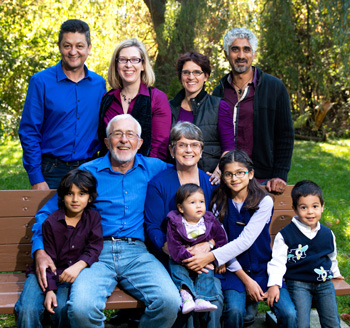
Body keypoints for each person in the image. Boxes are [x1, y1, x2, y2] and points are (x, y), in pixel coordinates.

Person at [16, 114, 181, 328]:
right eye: (117, 134)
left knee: (169, 302)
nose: (124, 140)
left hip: (137, 252)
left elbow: (186, 170)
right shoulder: (87, 172)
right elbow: (46, 214)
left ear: (139, 143)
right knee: (81, 309)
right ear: (106, 141)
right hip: (95, 252)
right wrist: (39, 251)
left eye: (130, 134)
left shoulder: (155, 168)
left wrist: (212, 176)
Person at [183, 150, 297, 328]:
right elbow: (223, 243)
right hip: (233, 270)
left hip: (263, 270)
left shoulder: (264, 201)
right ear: (222, 176)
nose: (234, 178)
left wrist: (212, 256)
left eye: (240, 173)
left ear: (250, 174)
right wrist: (246, 280)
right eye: (228, 174)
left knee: (289, 313)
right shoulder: (217, 203)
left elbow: (245, 241)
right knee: (234, 312)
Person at [144, 121, 223, 327]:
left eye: (194, 144)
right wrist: (175, 251)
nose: (189, 149)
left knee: (214, 298)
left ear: (201, 150)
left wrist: (209, 248)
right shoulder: (159, 184)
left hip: (206, 259)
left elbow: (219, 226)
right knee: (183, 301)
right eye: (182, 144)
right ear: (171, 150)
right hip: (172, 259)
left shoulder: (210, 184)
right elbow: (152, 227)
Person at [19, 19, 106, 190]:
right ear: (59, 46)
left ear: (89, 48)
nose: (73, 52)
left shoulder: (99, 84)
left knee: (88, 218)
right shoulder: (40, 82)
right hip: (51, 171)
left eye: (79, 46)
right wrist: (36, 178)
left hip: (89, 169)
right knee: (49, 217)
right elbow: (29, 132)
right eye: (67, 46)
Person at [16, 169, 103, 327]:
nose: (75, 199)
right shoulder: (51, 222)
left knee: (62, 308)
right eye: (70, 194)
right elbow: (48, 260)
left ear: (90, 198)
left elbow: (94, 247)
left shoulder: (93, 218)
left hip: (68, 275)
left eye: (82, 194)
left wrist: (79, 265)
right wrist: (49, 289)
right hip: (43, 273)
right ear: (62, 197)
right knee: (27, 309)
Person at [212, 27, 294, 194]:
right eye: (235, 49)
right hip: (227, 178)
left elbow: (285, 134)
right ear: (227, 54)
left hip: (262, 178)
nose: (241, 55)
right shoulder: (219, 91)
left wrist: (280, 175)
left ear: (254, 54)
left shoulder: (274, 88)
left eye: (246, 49)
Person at [267, 180, 343, 328]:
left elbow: (331, 256)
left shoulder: (328, 234)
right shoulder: (286, 235)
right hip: (298, 283)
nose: (310, 212)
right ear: (294, 209)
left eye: (315, 206)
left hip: (324, 284)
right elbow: (277, 262)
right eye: (303, 207)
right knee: (301, 324)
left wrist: (335, 272)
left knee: (332, 323)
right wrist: (274, 284)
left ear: (322, 207)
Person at [98, 38, 171, 160]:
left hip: (145, 173)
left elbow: (158, 149)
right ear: (116, 65)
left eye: (134, 60)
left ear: (143, 65)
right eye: (123, 60)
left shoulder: (157, 99)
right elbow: (103, 143)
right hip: (110, 171)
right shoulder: (108, 99)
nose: (128, 65)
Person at [167, 184, 229, 314]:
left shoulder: (209, 220)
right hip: (182, 259)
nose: (199, 205)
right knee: (176, 268)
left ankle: (202, 298)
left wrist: (221, 259)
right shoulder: (175, 222)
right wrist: (191, 260)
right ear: (181, 208)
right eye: (193, 202)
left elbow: (221, 238)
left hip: (204, 258)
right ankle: (186, 296)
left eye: (201, 201)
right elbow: (174, 246)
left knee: (208, 270)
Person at [169, 52, 233, 174]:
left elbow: (228, 148)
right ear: (180, 76)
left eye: (197, 72)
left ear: (206, 76)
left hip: (208, 178)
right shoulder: (170, 107)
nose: (191, 77)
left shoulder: (219, 106)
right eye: (186, 72)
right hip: (176, 177)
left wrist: (219, 173)